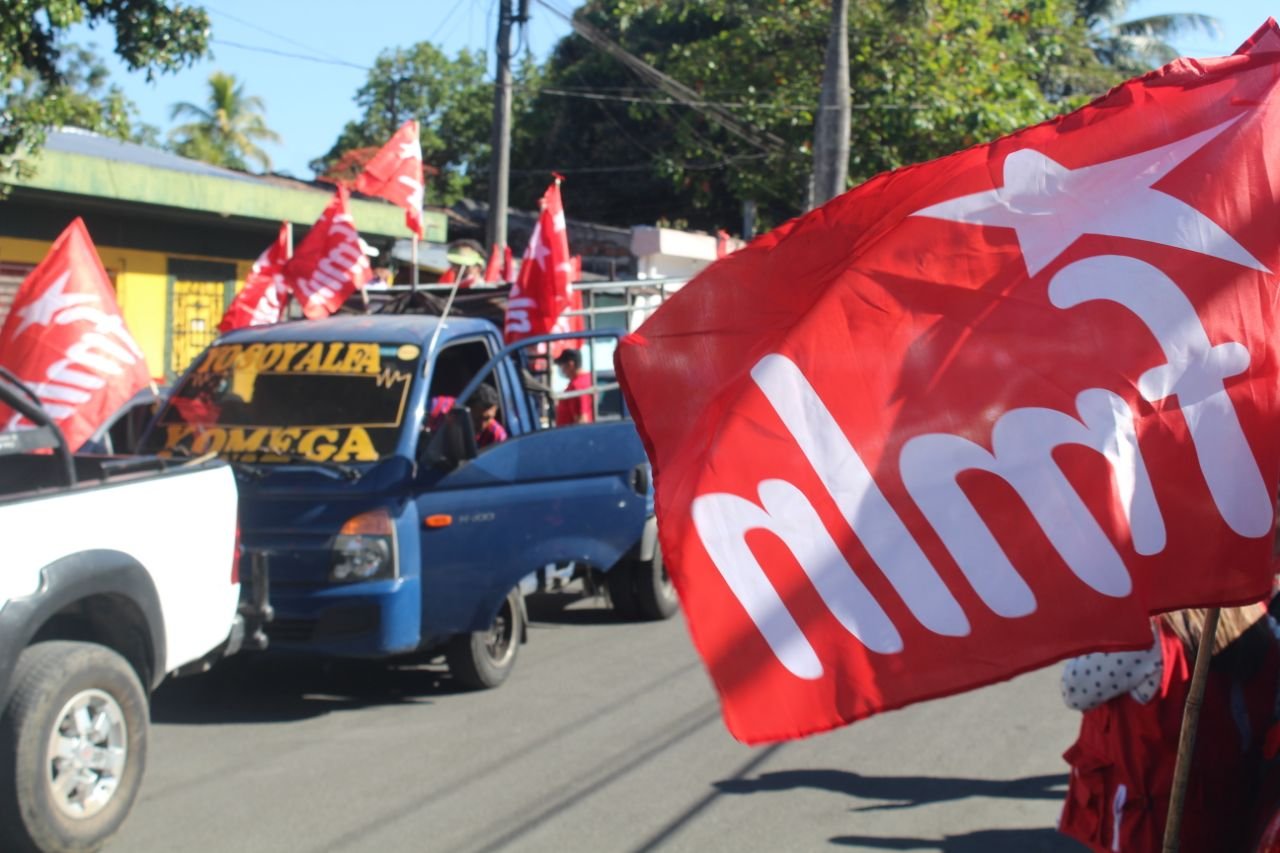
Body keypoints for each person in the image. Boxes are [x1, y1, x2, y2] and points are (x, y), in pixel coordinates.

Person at [1058, 604, 1280, 852]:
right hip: (1228, 808)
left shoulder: (1147, 636)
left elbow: (1074, 688)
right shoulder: (1258, 618)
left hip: (1155, 824)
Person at [426, 383, 508, 449]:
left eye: (488, 419)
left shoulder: (496, 437)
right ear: (464, 409)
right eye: (477, 418)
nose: (482, 425)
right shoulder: (438, 409)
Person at [554, 348, 594, 427]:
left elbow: (582, 419)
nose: (561, 369)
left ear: (570, 364)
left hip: (570, 435)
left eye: (561, 365)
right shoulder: (588, 378)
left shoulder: (577, 386)